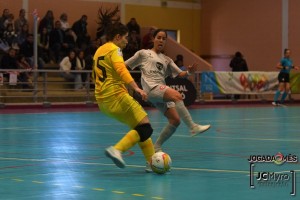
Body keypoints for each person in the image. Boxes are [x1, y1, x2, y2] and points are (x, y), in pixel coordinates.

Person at [125, 29, 211, 153]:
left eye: (164, 38)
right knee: (177, 95)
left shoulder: (167, 60)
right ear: (153, 39)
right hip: (151, 88)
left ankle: (157, 146)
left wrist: (189, 72)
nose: (161, 40)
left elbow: (180, 74)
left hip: (159, 91)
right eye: (158, 37)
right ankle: (193, 127)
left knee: (175, 120)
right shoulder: (143, 54)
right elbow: (124, 66)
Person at [93, 22, 155, 169]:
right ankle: (117, 149)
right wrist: (136, 88)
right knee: (146, 127)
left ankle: (151, 162)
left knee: (139, 127)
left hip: (102, 101)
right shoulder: (115, 50)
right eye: (125, 38)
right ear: (117, 37)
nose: (127, 41)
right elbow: (121, 70)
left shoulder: (99, 51)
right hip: (116, 96)